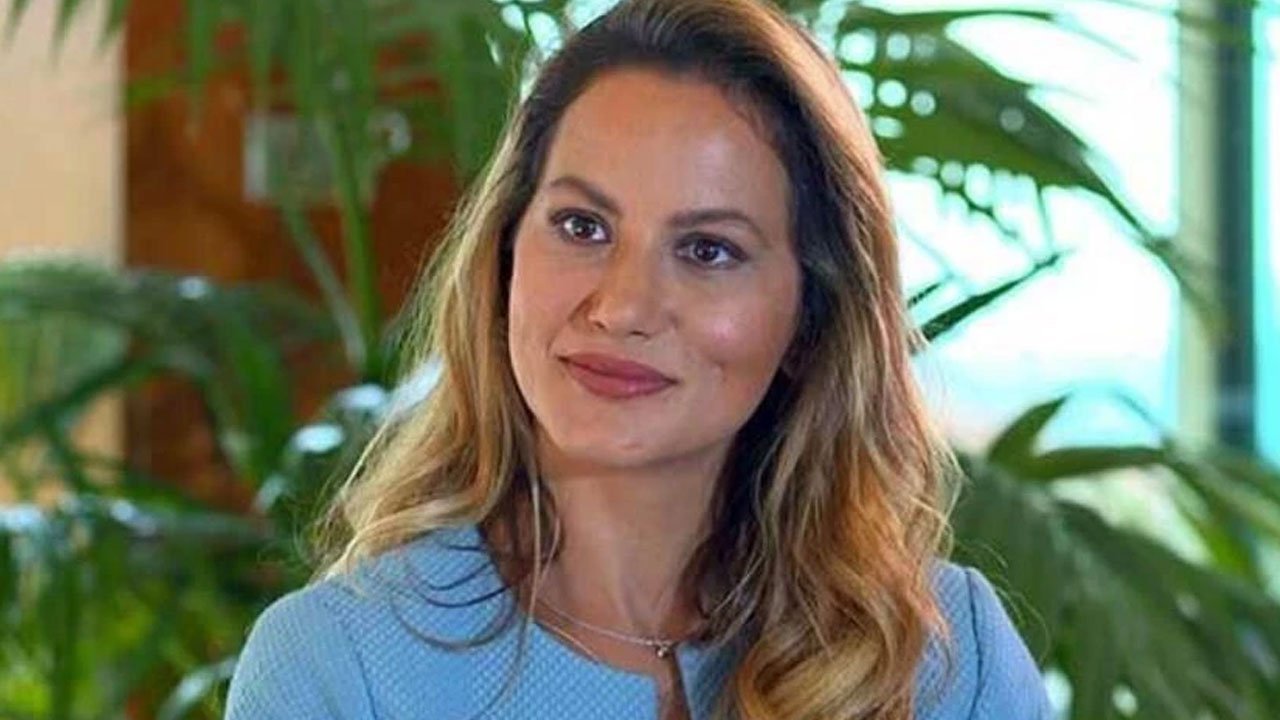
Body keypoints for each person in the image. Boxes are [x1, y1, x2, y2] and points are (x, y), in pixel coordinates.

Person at [225, 0, 1053, 718]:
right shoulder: (339, 664)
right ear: (505, 259)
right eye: (582, 226)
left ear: (811, 319)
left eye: (708, 249)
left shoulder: (948, 657)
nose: (622, 307)